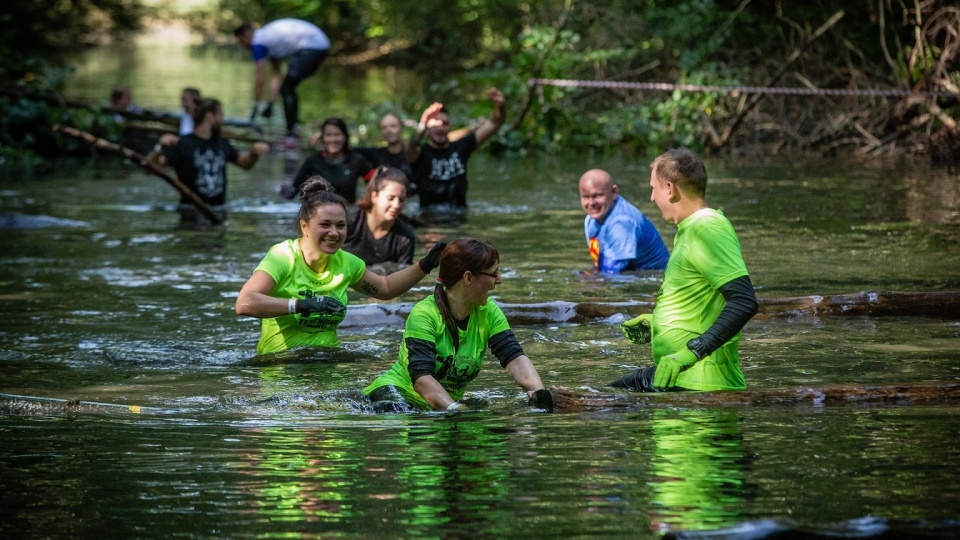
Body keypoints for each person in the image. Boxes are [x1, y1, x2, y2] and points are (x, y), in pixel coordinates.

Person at [235, 176, 446, 355]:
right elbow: (245, 303)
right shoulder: (283, 256)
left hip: (329, 363)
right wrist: (302, 305)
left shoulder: (347, 262)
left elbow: (386, 288)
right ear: (305, 226)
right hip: (281, 366)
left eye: (341, 226)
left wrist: (425, 264)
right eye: (325, 225)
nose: (334, 233)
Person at [609, 148, 758, 392]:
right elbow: (700, 302)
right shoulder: (690, 229)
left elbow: (744, 302)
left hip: (703, 386)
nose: (651, 198)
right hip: (679, 379)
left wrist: (692, 352)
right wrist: (657, 324)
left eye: (653, 189)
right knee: (608, 395)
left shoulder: (707, 227)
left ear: (669, 189)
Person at [363, 237, 547, 412]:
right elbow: (421, 378)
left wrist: (541, 395)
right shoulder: (424, 313)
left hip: (440, 404)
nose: (499, 280)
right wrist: (456, 410)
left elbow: (514, 357)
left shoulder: (489, 310)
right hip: (394, 397)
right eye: (494, 273)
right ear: (468, 278)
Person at [147, 98, 270, 226]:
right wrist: (159, 147)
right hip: (190, 212)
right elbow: (151, 168)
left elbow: (245, 164)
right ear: (210, 116)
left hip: (218, 211)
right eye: (220, 115)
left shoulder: (222, 143)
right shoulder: (183, 144)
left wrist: (253, 153)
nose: (222, 121)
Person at [406, 87, 507, 223]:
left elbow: (495, 123)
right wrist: (421, 125)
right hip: (429, 220)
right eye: (435, 123)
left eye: (445, 123)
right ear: (428, 128)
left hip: (459, 217)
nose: (440, 128)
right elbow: (411, 147)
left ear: (450, 126)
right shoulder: (420, 152)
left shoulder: (461, 146)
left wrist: (500, 106)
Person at [234, 18, 331, 139]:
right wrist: (270, 103)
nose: (242, 46)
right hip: (319, 45)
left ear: (246, 36)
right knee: (287, 88)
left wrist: (255, 105)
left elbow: (260, 78)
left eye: (241, 41)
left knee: (287, 88)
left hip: (313, 47)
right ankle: (293, 128)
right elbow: (276, 75)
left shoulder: (258, 42)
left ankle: (292, 132)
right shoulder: (268, 41)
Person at [578, 168, 670, 273]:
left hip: (656, 278)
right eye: (586, 197)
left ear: (614, 192)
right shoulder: (592, 218)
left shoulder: (621, 224)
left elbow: (611, 275)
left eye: (597, 196)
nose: (591, 203)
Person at [286, 117, 373, 203]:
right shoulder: (313, 161)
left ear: (345, 137)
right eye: (328, 135)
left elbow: (375, 183)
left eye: (337, 135)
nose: (333, 140)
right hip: (320, 213)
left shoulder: (356, 160)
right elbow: (295, 189)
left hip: (348, 212)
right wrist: (286, 191)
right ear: (322, 138)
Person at [343, 166, 416, 266]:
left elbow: (403, 277)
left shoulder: (405, 238)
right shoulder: (348, 219)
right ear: (374, 196)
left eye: (401, 200)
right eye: (391, 198)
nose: (396, 205)